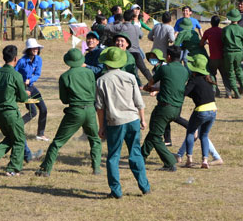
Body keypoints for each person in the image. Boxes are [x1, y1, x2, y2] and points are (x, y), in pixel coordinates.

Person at [36, 48, 102, 177]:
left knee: (58, 141)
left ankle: (46, 169)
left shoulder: (65, 77)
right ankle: (96, 168)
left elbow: (64, 100)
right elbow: (95, 90)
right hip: (90, 109)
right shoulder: (90, 73)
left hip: (75, 111)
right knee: (94, 139)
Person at [95, 47, 150, 198]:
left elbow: (99, 108)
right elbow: (139, 102)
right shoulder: (130, 77)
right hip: (133, 119)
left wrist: (101, 127)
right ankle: (144, 186)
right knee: (135, 153)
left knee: (113, 156)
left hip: (115, 122)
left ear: (106, 63)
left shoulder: (101, 81)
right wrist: (143, 119)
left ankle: (116, 191)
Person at [142, 45, 189, 172]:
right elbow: (171, 86)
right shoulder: (185, 70)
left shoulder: (164, 68)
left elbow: (151, 83)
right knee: (154, 131)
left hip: (164, 107)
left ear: (168, 57)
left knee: (156, 136)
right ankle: (141, 156)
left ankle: (170, 161)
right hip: (177, 108)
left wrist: (147, 87)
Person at [0, 45, 30, 176]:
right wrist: (26, 93)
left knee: (12, 137)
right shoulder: (16, 75)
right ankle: (13, 169)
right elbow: (23, 97)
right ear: (16, 59)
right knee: (19, 139)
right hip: (10, 112)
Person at [175, 54, 223, 168]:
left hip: (201, 111)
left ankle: (189, 160)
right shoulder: (207, 79)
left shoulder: (194, 80)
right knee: (204, 135)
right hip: (213, 110)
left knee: (191, 133)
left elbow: (184, 93)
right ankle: (205, 161)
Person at [16, 38, 49, 141]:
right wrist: (21, 83)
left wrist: (30, 80)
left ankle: (40, 134)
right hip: (23, 89)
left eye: (37, 47)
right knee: (32, 112)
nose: (35, 49)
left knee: (43, 109)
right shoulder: (21, 61)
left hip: (31, 87)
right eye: (33, 48)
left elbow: (37, 74)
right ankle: (15, 127)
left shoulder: (39, 59)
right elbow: (14, 73)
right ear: (28, 49)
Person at [111, 10, 153, 83]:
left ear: (123, 17)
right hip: (136, 52)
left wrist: (115, 23)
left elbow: (108, 28)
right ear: (132, 18)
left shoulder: (120, 26)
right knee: (143, 69)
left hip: (124, 52)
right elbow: (141, 35)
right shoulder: (136, 27)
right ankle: (153, 82)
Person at [222, 9, 243, 98]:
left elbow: (223, 41)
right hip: (239, 53)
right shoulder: (242, 30)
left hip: (229, 53)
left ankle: (236, 92)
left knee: (230, 73)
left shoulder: (225, 29)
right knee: (239, 69)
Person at [201, 15, 227, 95]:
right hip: (223, 57)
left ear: (211, 23)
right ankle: (228, 91)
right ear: (219, 23)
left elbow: (201, 43)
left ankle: (215, 89)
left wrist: (205, 42)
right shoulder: (223, 31)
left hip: (213, 58)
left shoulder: (208, 32)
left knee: (212, 73)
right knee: (224, 75)